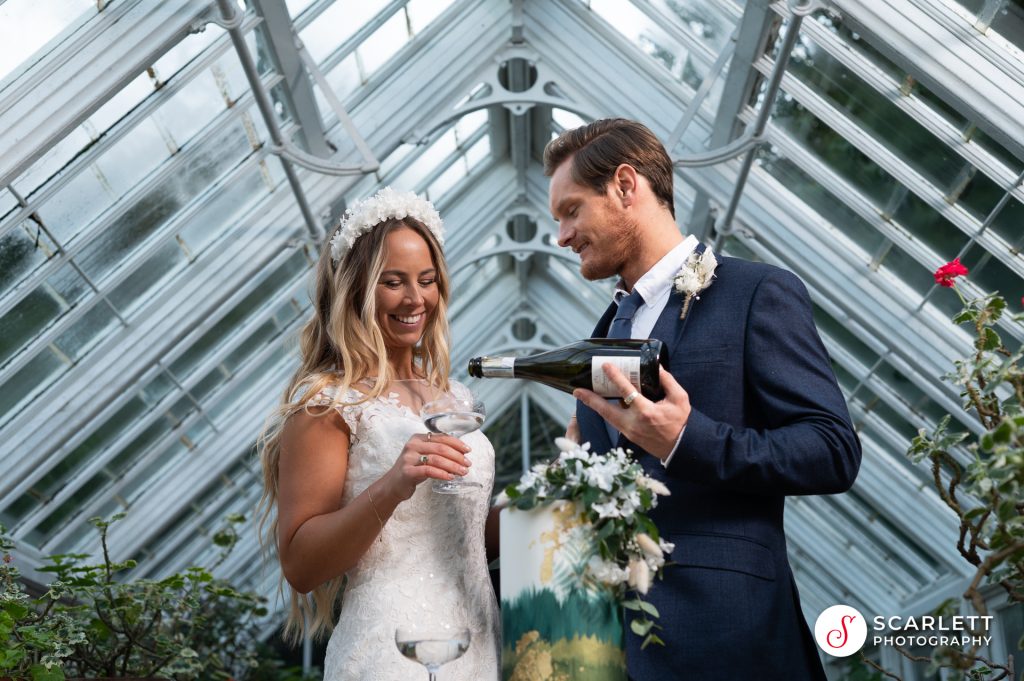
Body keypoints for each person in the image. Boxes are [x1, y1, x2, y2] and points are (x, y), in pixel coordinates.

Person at [545, 119, 862, 680]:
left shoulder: (756, 292)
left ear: (625, 185)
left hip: (729, 642)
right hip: (612, 653)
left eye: (571, 211)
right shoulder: (602, 332)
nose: (562, 236)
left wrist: (688, 441)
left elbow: (832, 449)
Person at [258, 187, 500, 680]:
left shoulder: (454, 396)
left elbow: (463, 538)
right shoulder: (328, 404)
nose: (416, 299)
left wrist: (539, 501)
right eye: (394, 282)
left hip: (477, 643)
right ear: (357, 290)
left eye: (427, 280)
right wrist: (393, 484)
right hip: (391, 650)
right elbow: (301, 565)